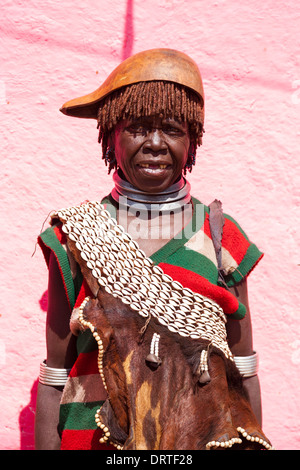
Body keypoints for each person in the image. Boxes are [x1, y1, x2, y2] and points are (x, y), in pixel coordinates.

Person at [35, 49, 267, 450]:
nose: (155, 143)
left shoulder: (221, 235)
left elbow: (243, 371)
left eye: (173, 129)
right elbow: (55, 375)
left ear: (193, 138)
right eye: (138, 127)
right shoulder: (74, 236)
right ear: (111, 134)